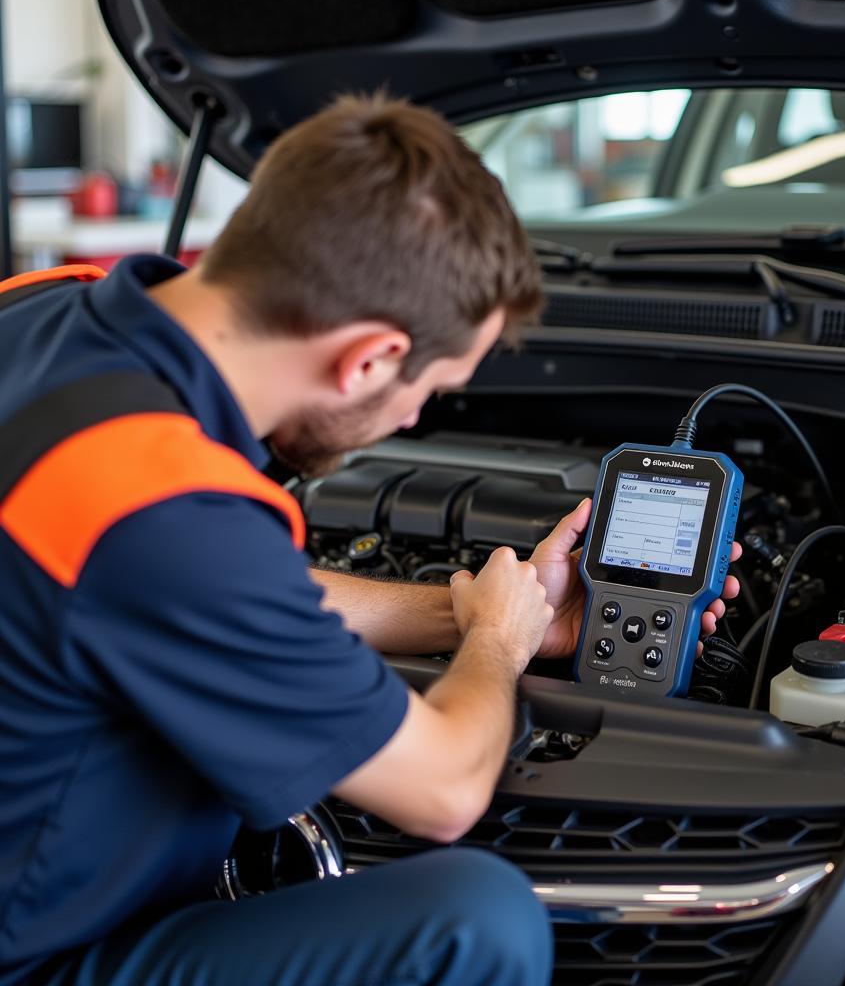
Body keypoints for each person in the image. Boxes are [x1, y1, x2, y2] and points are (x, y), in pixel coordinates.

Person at [0, 94, 740, 986]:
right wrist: (496, 646)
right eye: (426, 392)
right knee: (475, 921)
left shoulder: (38, 307)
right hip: (38, 955)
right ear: (367, 358)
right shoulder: (162, 509)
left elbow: (196, 591)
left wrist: (479, 609)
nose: (412, 418)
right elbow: (444, 790)